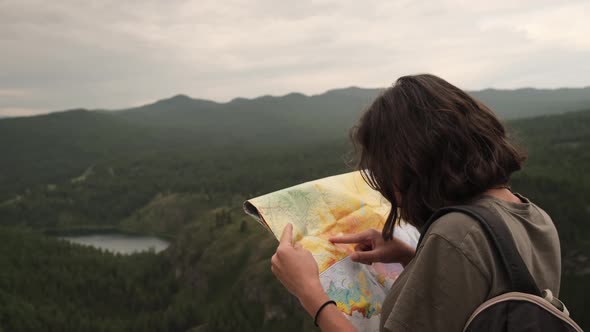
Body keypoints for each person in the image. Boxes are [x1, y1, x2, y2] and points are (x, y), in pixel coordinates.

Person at [270, 74, 561, 332]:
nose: (389, 190)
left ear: (414, 164)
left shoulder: (456, 234)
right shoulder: (534, 215)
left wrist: (310, 293)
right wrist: (411, 257)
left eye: (387, 172)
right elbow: (483, 297)